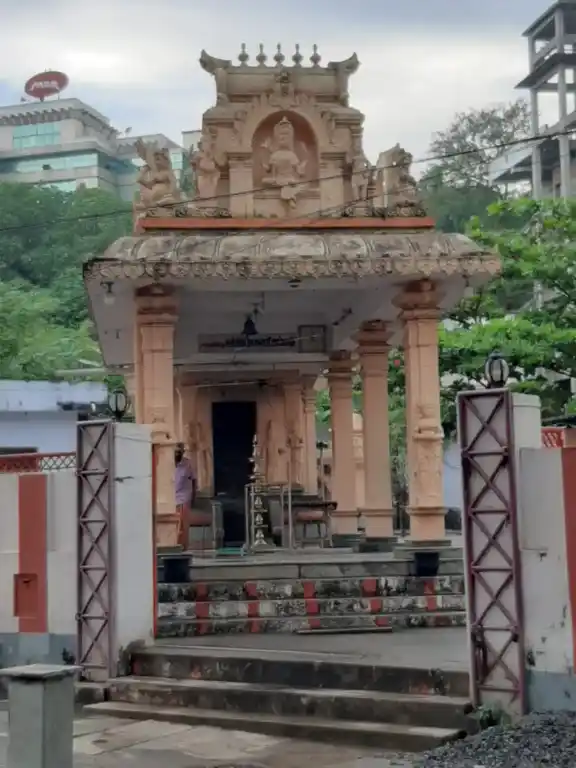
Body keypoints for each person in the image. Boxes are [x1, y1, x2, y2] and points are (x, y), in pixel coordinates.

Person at [175, 443, 196, 549]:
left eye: (180, 452)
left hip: (184, 496)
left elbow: (194, 480)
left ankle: (184, 546)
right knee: (174, 523)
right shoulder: (168, 463)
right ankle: (174, 544)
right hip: (172, 496)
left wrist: (194, 497)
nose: (178, 454)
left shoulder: (187, 464)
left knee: (183, 523)